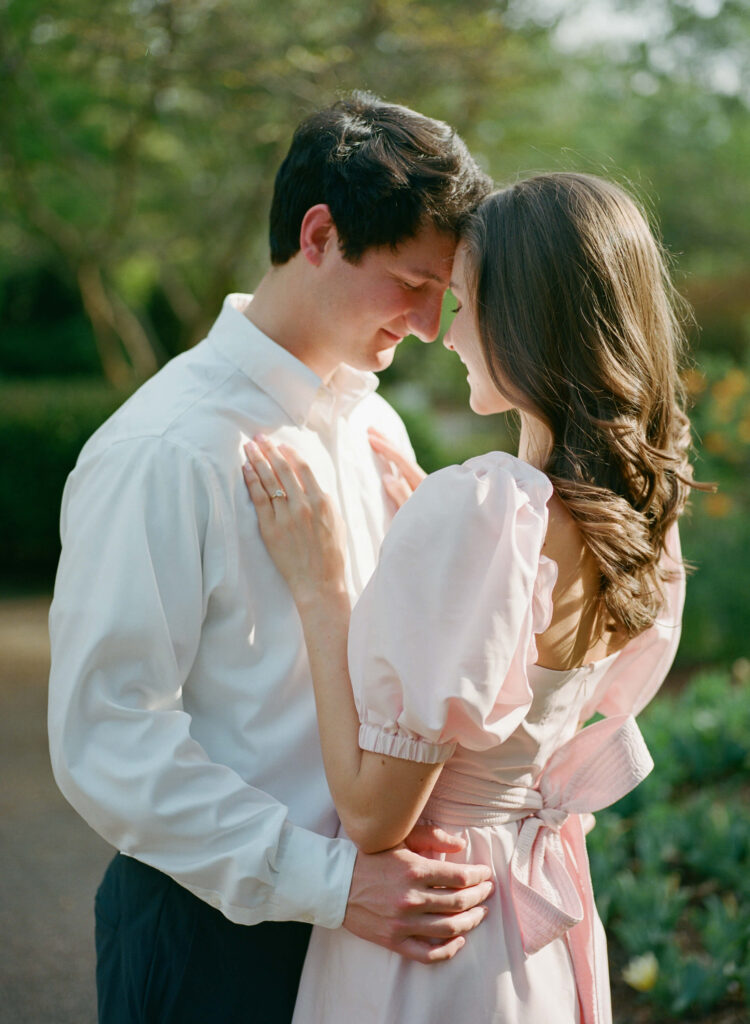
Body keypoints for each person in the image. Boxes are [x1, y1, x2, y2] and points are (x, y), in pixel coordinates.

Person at [47, 92, 495, 1024]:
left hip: (365, 936)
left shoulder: (375, 421)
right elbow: (108, 736)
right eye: (412, 281)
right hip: (213, 936)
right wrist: (328, 882)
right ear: (321, 234)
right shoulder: (164, 449)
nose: (425, 322)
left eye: (441, 295)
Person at [241, 172, 702, 1023]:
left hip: (437, 932)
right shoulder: (638, 509)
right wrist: (434, 530)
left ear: (526, 317)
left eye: (461, 302)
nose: (443, 335)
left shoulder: (486, 511)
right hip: (533, 927)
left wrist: (323, 586)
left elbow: (376, 817)